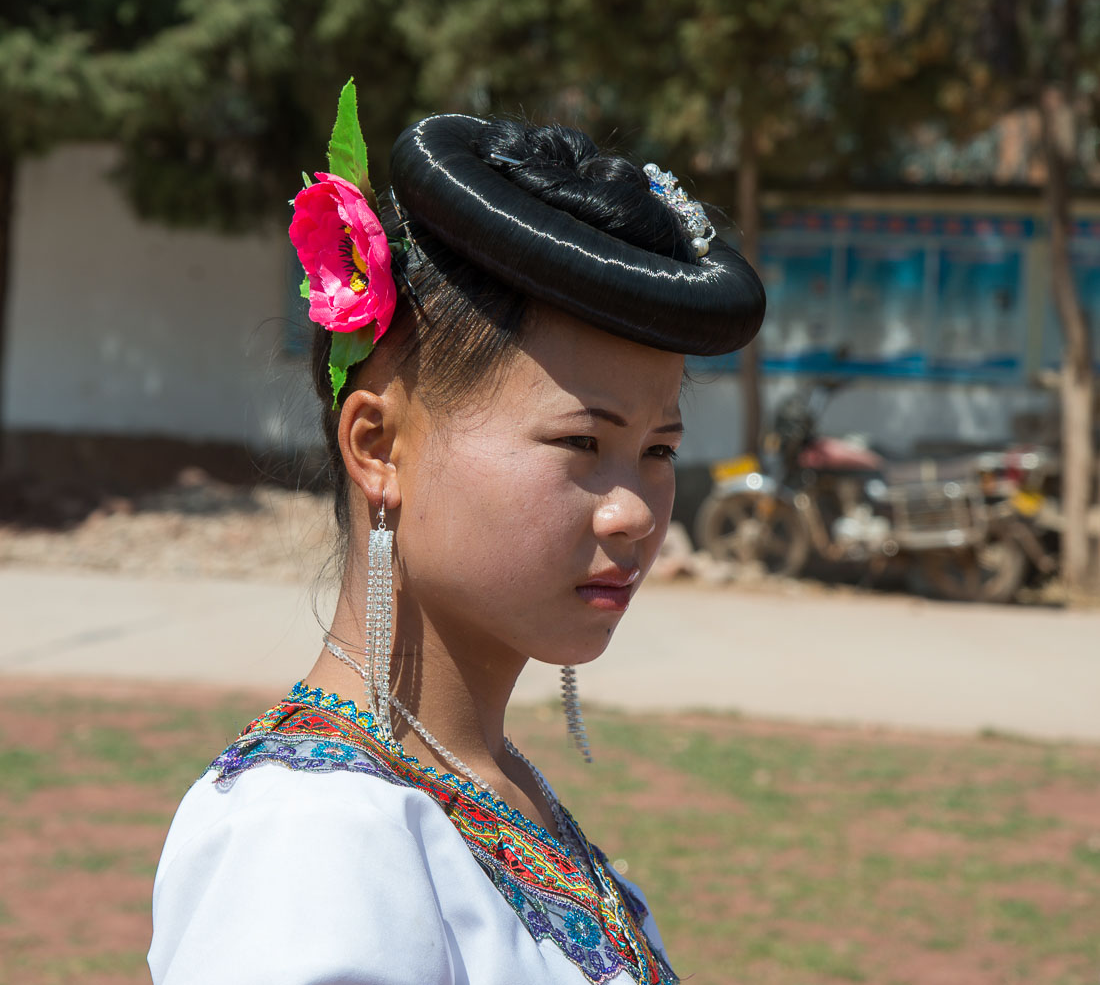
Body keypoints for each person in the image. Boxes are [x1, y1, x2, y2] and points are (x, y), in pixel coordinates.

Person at [147, 88, 765, 985]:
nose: (634, 509)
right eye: (582, 442)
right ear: (379, 445)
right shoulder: (311, 839)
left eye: (659, 449)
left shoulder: (495, 792)